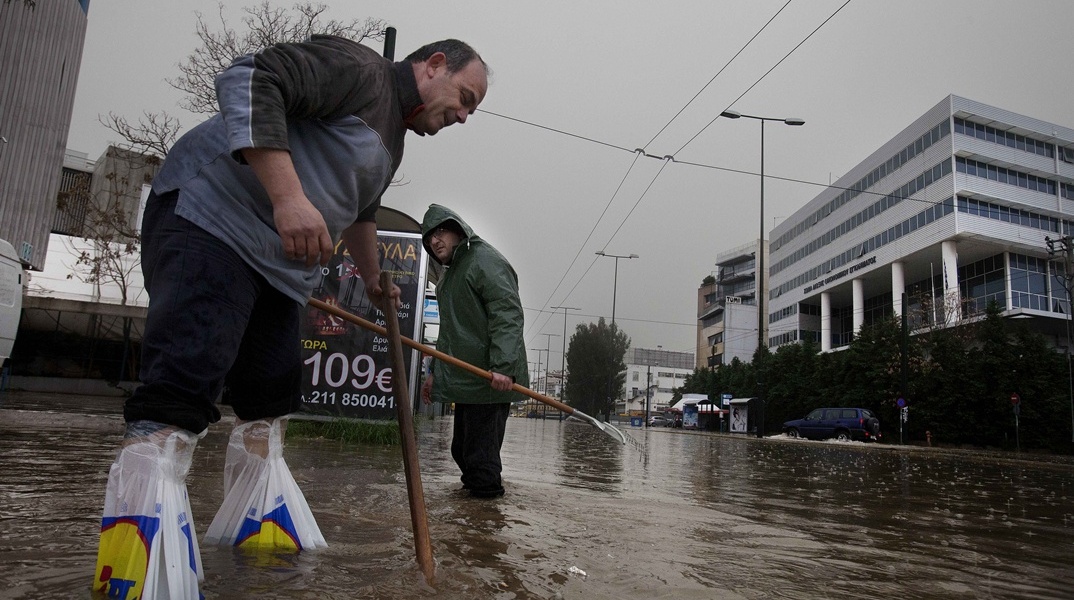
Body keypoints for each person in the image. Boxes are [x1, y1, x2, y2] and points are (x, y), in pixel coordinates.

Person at [94, 36, 489, 598]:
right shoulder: (359, 70)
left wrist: (374, 280)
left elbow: (359, 211)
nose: (465, 115)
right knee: (181, 394)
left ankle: (255, 566)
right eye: (466, 97)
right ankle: (136, 574)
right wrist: (287, 197)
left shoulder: (393, 141)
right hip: (212, 223)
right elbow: (247, 80)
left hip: (279, 268)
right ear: (434, 66)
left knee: (270, 404)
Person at [419, 204, 528, 498]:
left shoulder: (484, 261)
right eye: (429, 238)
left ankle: (484, 529)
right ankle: (469, 523)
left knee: (480, 461)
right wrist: (434, 375)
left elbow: (507, 314)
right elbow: (450, 334)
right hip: (467, 379)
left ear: (458, 229)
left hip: (489, 379)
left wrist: (504, 366)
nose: (435, 241)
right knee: (462, 451)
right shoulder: (451, 274)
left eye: (440, 231)